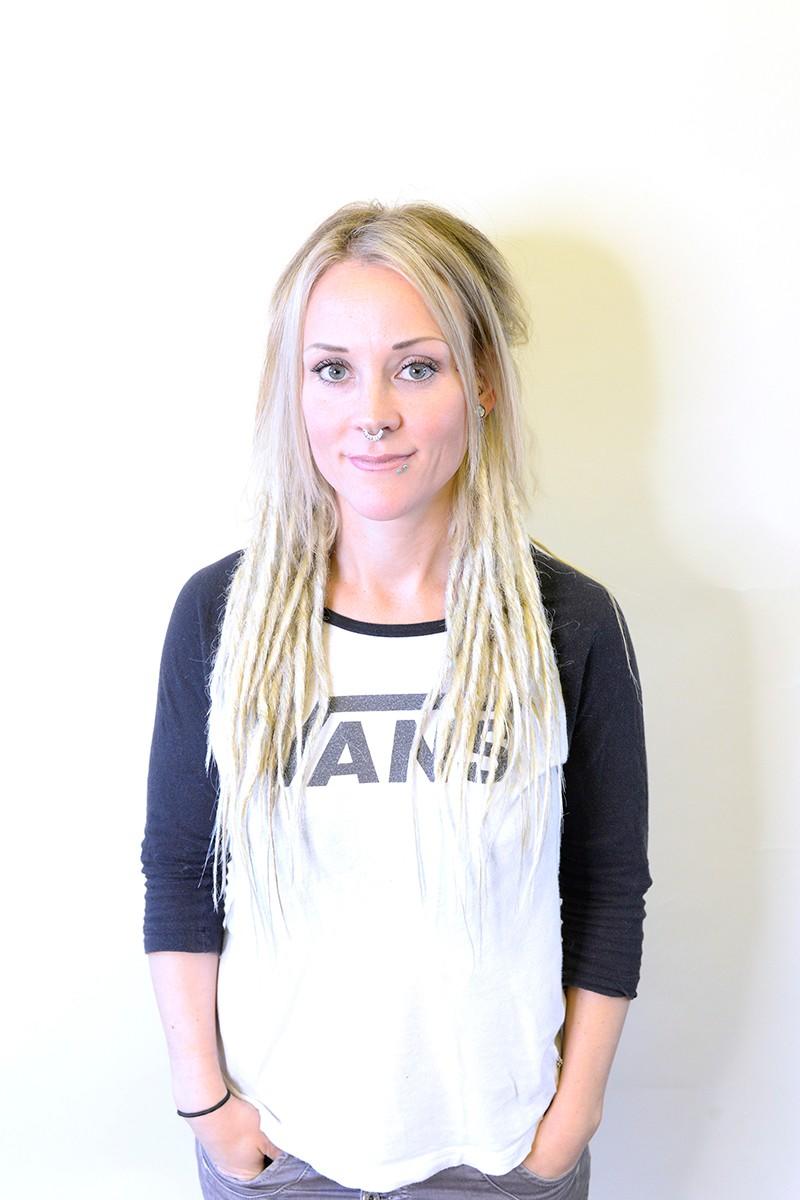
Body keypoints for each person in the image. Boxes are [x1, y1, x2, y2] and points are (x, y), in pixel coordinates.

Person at [141, 200, 652, 1200]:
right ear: (293, 389)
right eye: (331, 369)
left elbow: (604, 886)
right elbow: (180, 872)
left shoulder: (567, 623)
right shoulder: (221, 614)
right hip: (279, 1152)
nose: (370, 410)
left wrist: (570, 1119)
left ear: (482, 382)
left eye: (415, 368)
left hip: (498, 1155)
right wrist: (205, 1104)